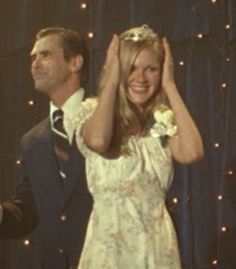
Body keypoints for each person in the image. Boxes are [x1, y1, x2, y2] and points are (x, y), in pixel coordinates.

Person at [75, 25, 204, 269]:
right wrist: (113, 78)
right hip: (107, 250)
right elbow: (100, 141)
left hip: (156, 249)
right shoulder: (91, 111)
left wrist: (170, 86)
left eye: (151, 69)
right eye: (131, 68)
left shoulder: (163, 118)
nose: (141, 78)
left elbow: (192, 153)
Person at [0, 27, 92, 269]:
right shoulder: (32, 140)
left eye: (45, 55)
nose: (35, 64)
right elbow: (28, 210)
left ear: (75, 62)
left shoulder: (107, 119)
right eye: (33, 57)